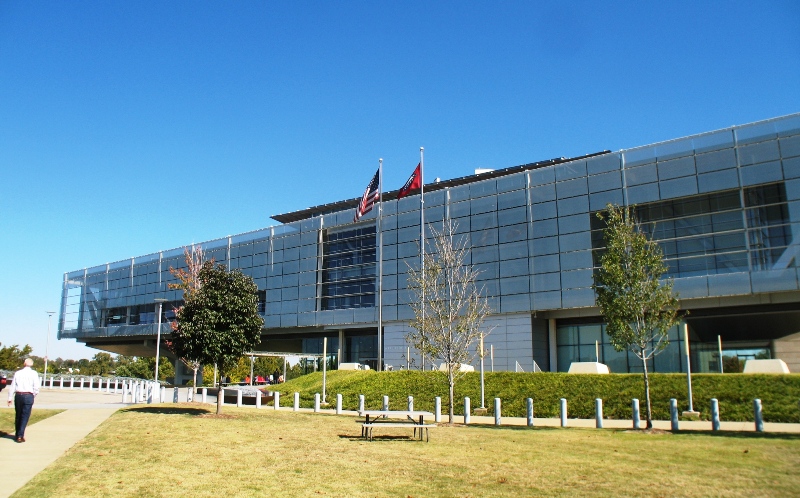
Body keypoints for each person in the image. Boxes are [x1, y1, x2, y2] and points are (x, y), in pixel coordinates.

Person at [6, 358, 41, 443]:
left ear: (24, 363)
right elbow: (36, 387)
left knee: (18, 415)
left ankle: (18, 434)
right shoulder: (34, 374)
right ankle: (20, 435)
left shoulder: (18, 373)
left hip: (18, 395)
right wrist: (33, 395)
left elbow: (13, 385)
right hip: (28, 395)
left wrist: (10, 397)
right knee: (25, 415)